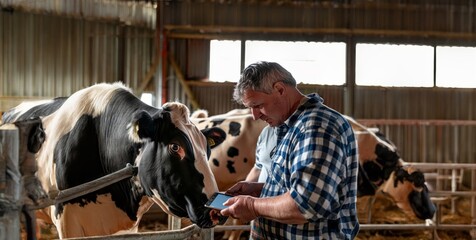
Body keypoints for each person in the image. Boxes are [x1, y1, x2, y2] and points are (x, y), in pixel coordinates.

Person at [220, 61, 360, 239]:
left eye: (258, 105)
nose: (255, 116)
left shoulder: (316, 127)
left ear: (279, 89)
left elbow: (307, 204)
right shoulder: (289, 127)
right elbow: (298, 187)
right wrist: (260, 190)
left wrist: (252, 206)